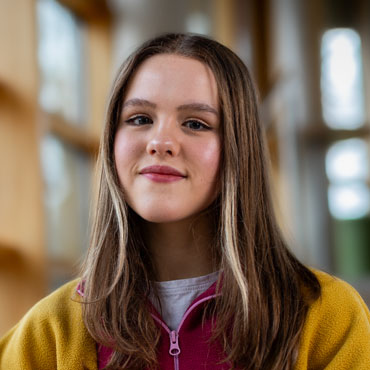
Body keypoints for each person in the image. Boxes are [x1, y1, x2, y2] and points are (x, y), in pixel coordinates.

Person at [1, 32, 370, 370]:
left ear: (239, 151)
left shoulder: (328, 319)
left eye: (195, 123)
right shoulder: (49, 332)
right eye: (140, 118)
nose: (160, 142)